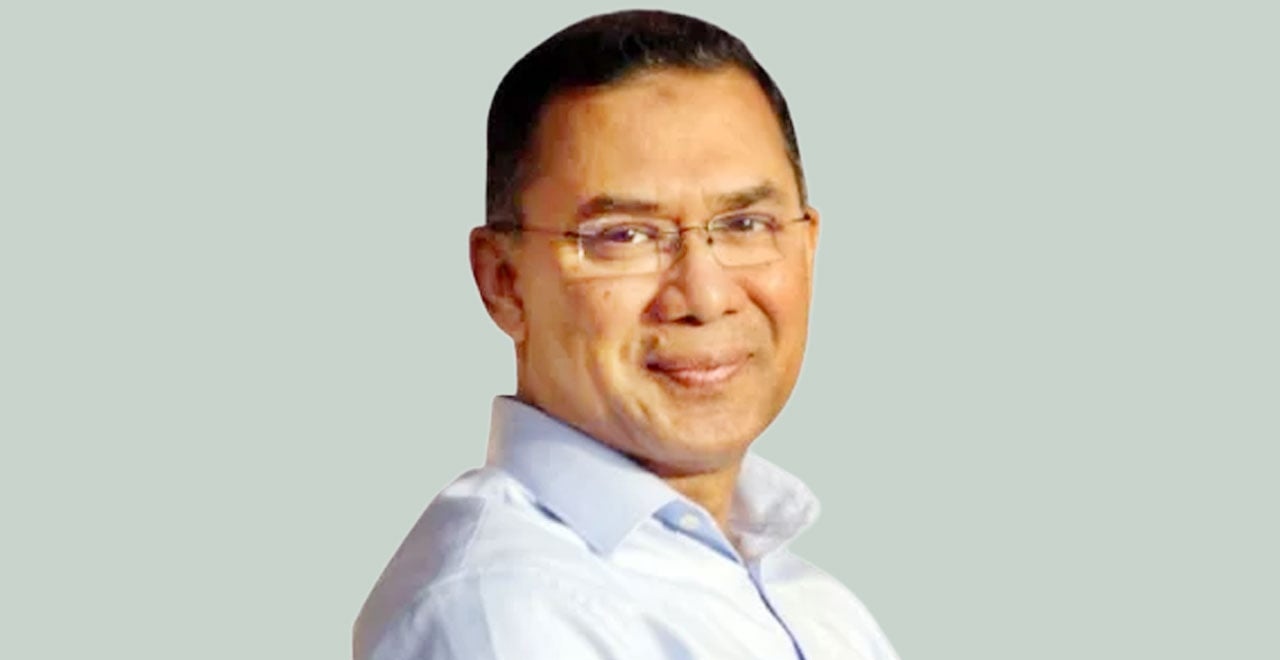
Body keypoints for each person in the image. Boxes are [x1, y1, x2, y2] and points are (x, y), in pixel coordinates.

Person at [354, 10, 900, 660]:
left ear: (808, 247)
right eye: (625, 236)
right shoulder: (500, 613)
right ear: (504, 282)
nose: (705, 297)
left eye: (745, 224)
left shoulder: (818, 610)